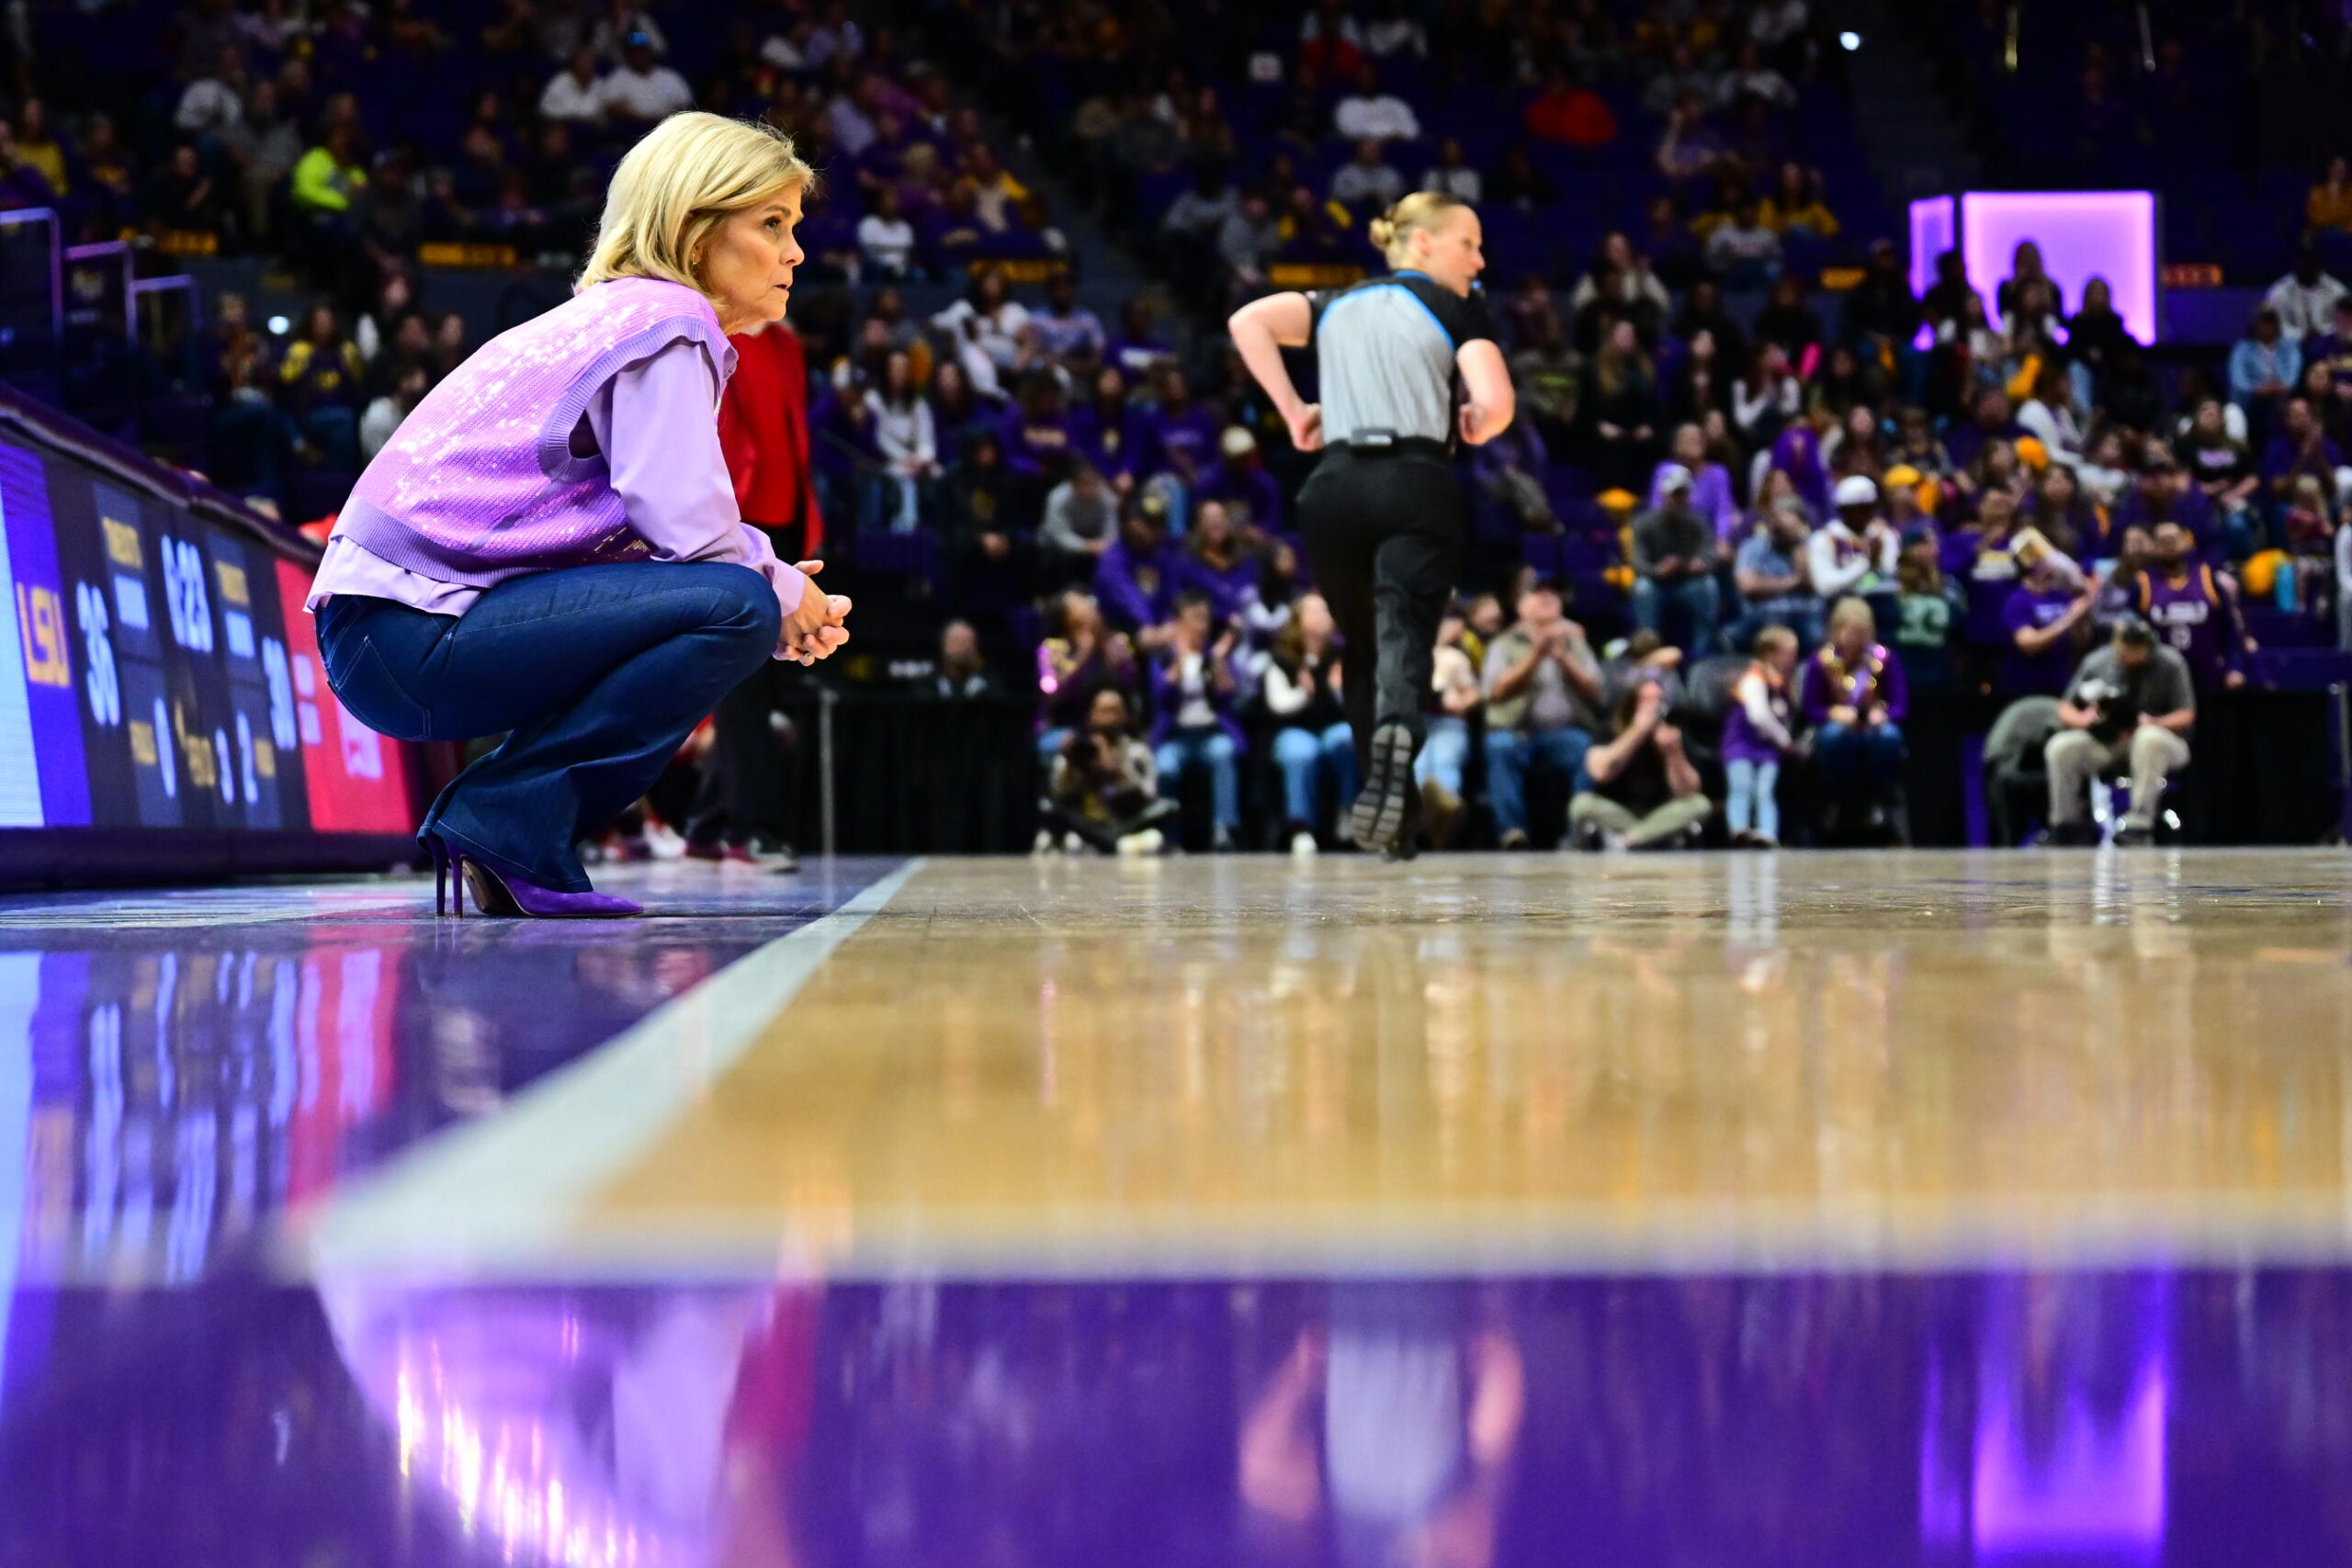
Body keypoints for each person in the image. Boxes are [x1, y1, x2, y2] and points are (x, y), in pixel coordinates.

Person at [309, 115, 849, 918]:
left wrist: (767, 581)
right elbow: (693, 532)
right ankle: (506, 821)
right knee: (731, 605)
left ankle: (506, 824)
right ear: (693, 230)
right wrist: (773, 590)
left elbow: (655, 538)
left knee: (728, 596)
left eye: (793, 228)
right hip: (408, 632)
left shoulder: (618, 315)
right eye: (772, 225)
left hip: (385, 633)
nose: (795, 253)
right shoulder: (670, 322)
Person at [1228, 190, 1513, 856]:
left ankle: (1398, 818)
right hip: (1416, 481)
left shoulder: (1333, 304)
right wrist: (1477, 421)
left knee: (1361, 646)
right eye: (1467, 242)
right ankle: (1396, 732)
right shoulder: (1456, 306)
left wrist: (1295, 409)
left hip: (1332, 490)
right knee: (1405, 630)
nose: (1480, 258)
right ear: (1422, 244)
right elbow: (1496, 402)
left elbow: (1248, 322)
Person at [2040, 617, 2196, 847]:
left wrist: (2153, 722)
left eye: (2137, 650)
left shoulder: (2170, 662)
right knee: (2062, 746)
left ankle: (2139, 825)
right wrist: (2083, 719)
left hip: (2163, 740)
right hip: (2109, 740)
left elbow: (2187, 714)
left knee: (2148, 738)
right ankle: (2065, 825)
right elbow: (2065, 707)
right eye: (2125, 650)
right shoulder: (2097, 662)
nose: (2130, 655)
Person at [1480, 576, 1604, 849]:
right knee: (1499, 747)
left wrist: (1563, 658)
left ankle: (1579, 829)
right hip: (1516, 731)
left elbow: (1597, 693)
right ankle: (1512, 832)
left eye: (1553, 594)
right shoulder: (1504, 643)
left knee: (1587, 750)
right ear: (1522, 607)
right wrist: (1535, 656)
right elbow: (1495, 691)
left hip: (1565, 734)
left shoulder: (1575, 644)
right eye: (1538, 593)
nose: (1548, 598)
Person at [1799, 596, 1908, 840]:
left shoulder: (1885, 660)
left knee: (1889, 737)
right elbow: (1810, 708)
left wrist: (1883, 714)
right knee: (1834, 737)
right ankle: (1842, 800)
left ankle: (1879, 798)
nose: (1856, 641)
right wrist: (1833, 713)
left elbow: (1901, 706)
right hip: (1838, 726)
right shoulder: (1821, 662)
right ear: (1837, 632)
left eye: (1862, 634)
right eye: (1851, 634)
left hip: (1873, 726)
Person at [1262, 594, 1357, 854]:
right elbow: (1277, 704)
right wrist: (1305, 693)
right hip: (1294, 728)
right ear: (1298, 621)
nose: (1321, 617)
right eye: (1313, 612)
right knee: (1301, 752)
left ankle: (1347, 811)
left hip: (1331, 727)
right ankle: (1301, 826)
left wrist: (1337, 689)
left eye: (1325, 611)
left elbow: (1355, 705)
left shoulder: (1341, 655)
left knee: (1346, 738)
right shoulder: (1282, 658)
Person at [1568, 681, 1713, 850]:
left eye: (1659, 700)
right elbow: (1600, 773)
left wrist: (1673, 752)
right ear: (1631, 705)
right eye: (1646, 701)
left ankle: (1630, 840)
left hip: (1660, 813)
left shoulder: (1673, 733)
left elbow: (1687, 791)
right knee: (1581, 804)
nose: (1654, 708)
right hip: (1619, 813)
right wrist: (1637, 732)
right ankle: (1651, 837)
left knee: (1700, 804)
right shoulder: (1608, 730)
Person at [1151, 592, 1245, 851]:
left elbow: (1228, 695)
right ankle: (1168, 833)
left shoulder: (1215, 656)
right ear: (1178, 622)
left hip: (1210, 733)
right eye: (1194, 619)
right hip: (1177, 735)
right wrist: (1181, 659)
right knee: (1165, 766)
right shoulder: (1164, 658)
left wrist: (1218, 661)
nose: (1200, 626)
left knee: (1223, 754)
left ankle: (1223, 828)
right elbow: (1163, 696)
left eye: (1204, 619)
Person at [1043, 687, 1178, 855]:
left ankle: (1116, 844)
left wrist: (1116, 772)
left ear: (1125, 715)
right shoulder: (1075, 748)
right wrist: (1072, 765)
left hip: (1125, 823)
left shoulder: (1137, 752)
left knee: (1168, 808)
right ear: (1091, 714)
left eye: (1115, 711)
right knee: (1047, 808)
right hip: (1086, 824)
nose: (1110, 717)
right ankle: (1110, 845)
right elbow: (1058, 796)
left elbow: (1149, 797)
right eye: (1104, 711)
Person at [1630, 464, 1721, 659]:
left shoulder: (1698, 522)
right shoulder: (1644, 523)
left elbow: (1709, 553)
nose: (1680, 499)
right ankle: (1648, 648)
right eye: (1675, 494)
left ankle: (1701, 651)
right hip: (1657, 584)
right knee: (1642, 588)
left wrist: (1701, 564)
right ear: (1664, 496)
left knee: (1708, 585)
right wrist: (1657, 570)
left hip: (1688, 582)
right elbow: (1637, 561)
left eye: (1684, 494)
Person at [1721, 624, 1801, 847]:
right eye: (1790, 653)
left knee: (1765, 791)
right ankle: (1738, 828)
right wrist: (1785, 740)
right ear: (1770, 653)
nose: (1794, 659)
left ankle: (1767, 832)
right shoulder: (1754, 679)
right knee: (1741, 787)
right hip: (1741, 744)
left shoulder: (1783, 683)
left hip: (1766, 749)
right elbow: (1759, 716)